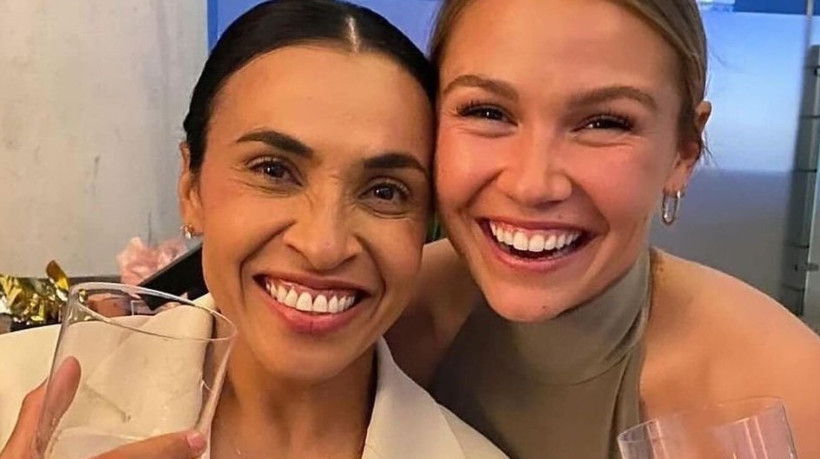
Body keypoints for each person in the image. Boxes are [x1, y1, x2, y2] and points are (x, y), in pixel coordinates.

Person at [0, 1, 506, 458]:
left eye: (385, 191)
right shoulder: (13, 388)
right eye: (273, 171)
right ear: (190, 188)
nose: (323, 245)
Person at [386, 0, 820, 457]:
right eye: (488, 112)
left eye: (605, 122)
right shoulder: (370, 324)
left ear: (684, 151)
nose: (533, 185)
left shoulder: (787, 389)